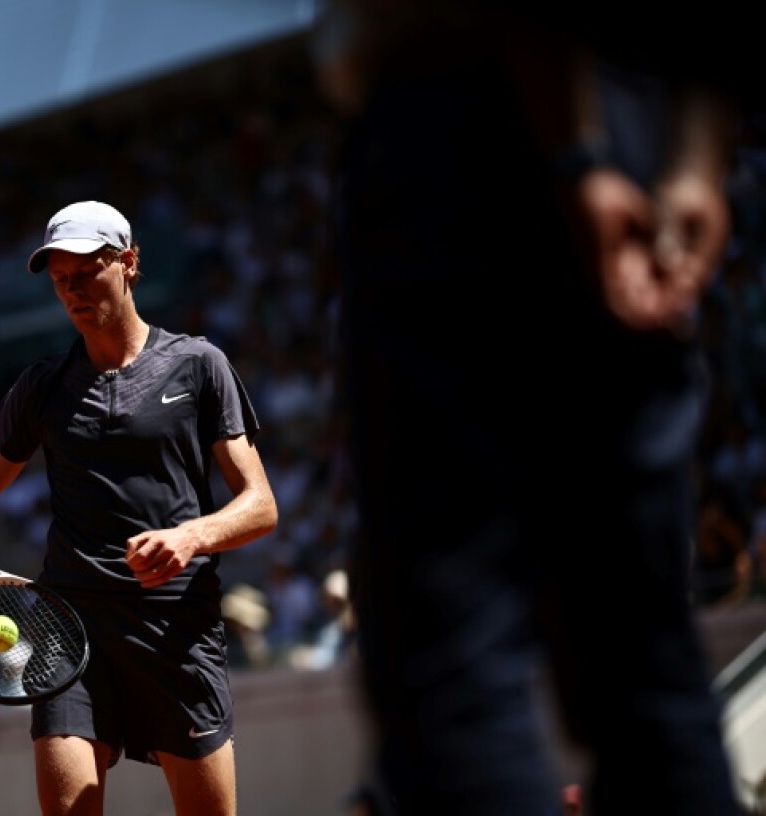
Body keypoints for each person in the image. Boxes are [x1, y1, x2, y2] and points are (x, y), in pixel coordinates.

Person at [311, 1, 753, 814]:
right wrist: (694, 160)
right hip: (648, 140)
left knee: (453, 666)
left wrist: (574, 153)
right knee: (644, 660)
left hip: (465, 123)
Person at [0, 200, 278, 816]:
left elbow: (260, 506)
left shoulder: (199, 365)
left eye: (87, 271)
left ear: (129, 263)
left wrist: (191, 537)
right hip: (70, 629)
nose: (73, 290)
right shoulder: (42, 385)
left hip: (177, 630)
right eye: (61, 279)